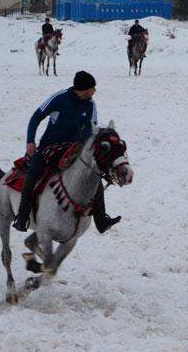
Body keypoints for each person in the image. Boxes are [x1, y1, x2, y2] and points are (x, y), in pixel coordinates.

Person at [13, 71, 120, 234]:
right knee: (33, 173)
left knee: (94, 173)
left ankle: (101, 219)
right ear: (84, 89)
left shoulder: (91, 105)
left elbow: (90, 131)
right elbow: (36, 117)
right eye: (93, 88)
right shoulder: (59, 98)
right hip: (49, 146)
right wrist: (30, 141)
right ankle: (22, 217)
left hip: (75, 149)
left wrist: (85, 147)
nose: (95, 91)